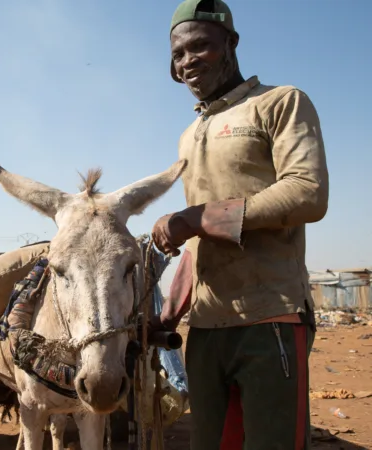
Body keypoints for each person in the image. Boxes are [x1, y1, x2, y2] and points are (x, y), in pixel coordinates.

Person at [150, 0, 329, 448]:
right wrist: (170, 312)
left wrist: (197, 216)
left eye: (201, 47)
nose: (188, 61)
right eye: (178, 54)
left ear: (230, 43)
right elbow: (198, 242)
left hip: (269, 317)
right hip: (207, 329)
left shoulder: (279, 102)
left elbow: (308, 191)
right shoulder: (189, 134)